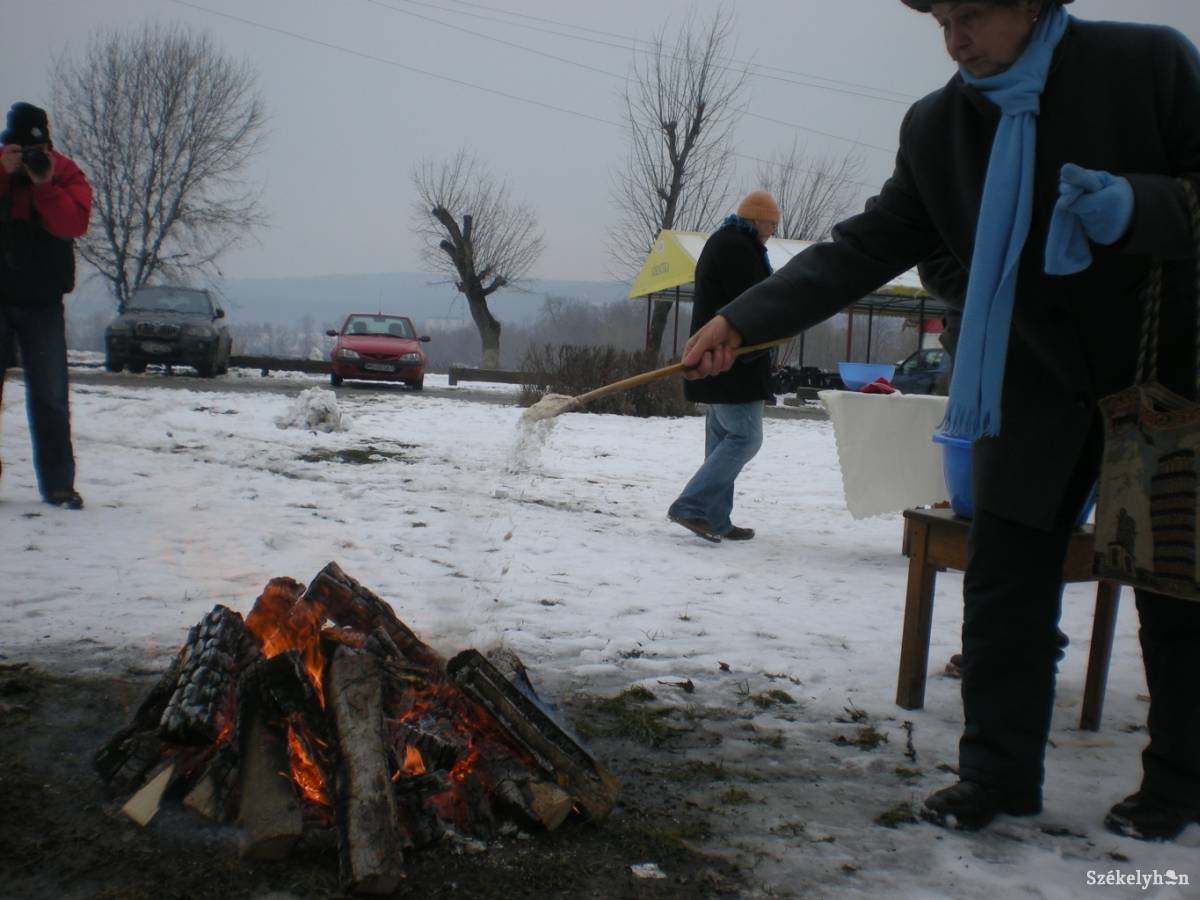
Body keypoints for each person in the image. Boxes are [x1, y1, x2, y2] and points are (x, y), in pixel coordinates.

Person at [681, 0, 1200, 840]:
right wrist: (744, 321)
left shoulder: (1148, 68)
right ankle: (995, 778)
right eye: (941, 21)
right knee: (1003, 591)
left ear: (1031, 3)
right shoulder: (938, 128)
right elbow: (859, 249)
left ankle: (1179, 786)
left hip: (1165, 377)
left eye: (974, 16)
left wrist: (1140, 209)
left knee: (1174, 591)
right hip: (1022, 385)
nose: (956, 40)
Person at [667, 191, 780, 544]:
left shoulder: (726, 242)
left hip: (718, 363)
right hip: (732, 364)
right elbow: (752, 305)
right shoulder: (736, 248)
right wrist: (781, 320)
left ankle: (716, 518)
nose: (773, 231)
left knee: (721, 439)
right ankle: (691, 505)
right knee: (745, 438)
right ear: (755, 219)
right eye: (771, 224)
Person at [0, 102, 92, 509]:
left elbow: (72, 224)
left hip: (43, 302)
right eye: (21, 150)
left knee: (51, 397)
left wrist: (45, 185)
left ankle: (58, 485)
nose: (30, 159)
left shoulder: (64, 173)